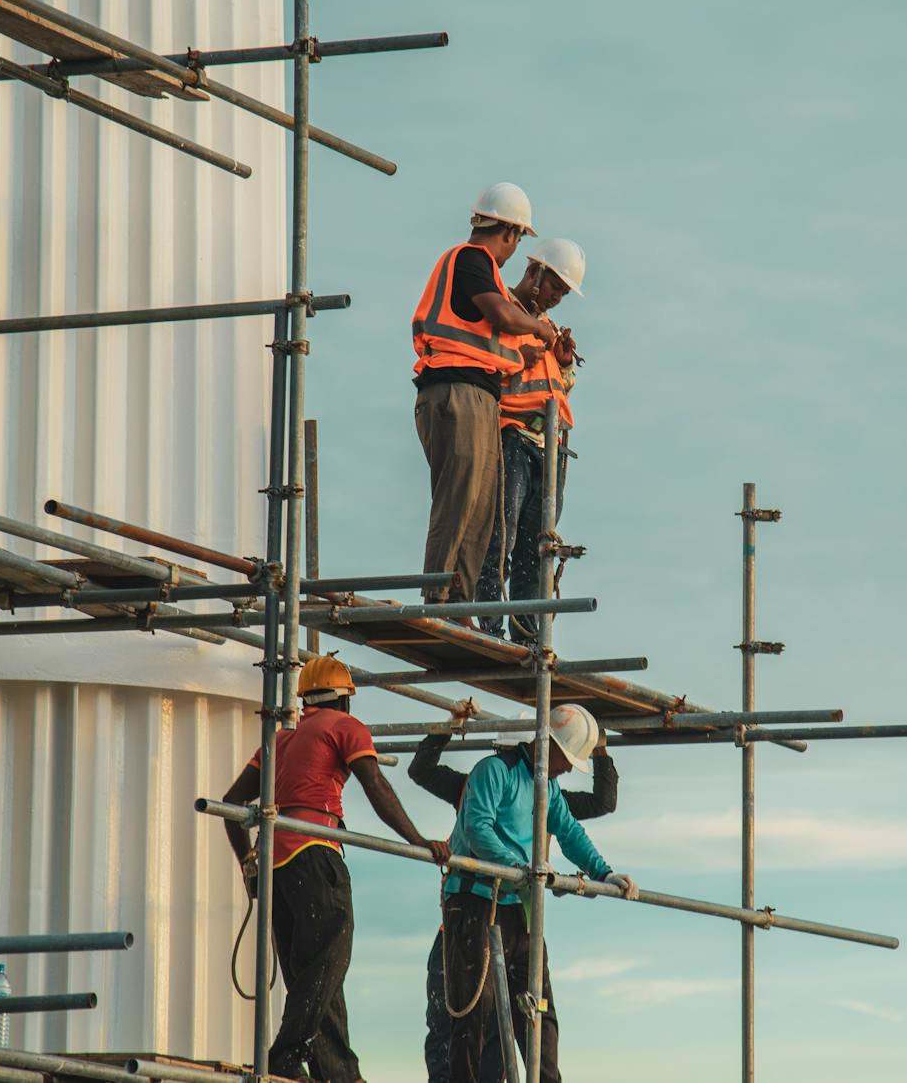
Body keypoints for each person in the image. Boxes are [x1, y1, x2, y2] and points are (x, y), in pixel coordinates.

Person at [221, 654, 453, 1082]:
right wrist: (417, 840)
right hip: (315, 851)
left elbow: (232, 806)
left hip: (276, 864)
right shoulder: (344, 727)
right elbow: (376, 785)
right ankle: (285, 1058)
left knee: (312, 974)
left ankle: (338, 1073)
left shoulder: (279, 740)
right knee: (329, 960)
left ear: (306, 698)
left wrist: (249, 864)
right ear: (344, 701)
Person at [440, 704, 637, 1083]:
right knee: (472, 1012)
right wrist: (521, 868)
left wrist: (604, 873)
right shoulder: (494, 772)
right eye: (568, 760)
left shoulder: (548, 786)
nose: (567, 769)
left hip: (519, 907)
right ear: (550, 745)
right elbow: (478, 828)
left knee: (538, 1013)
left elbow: (569, 832)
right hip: (475, 902)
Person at [413, 183, 558, 609]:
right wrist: (538, 328)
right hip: (455, 392)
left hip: (474, 395)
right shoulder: (471, 259)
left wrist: (531, 350)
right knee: (458, 501)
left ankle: (460, 601)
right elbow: (499, 314)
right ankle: (437, 598)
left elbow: (490, 337)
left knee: (480, 511)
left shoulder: (482, 273)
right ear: (511, 232)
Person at [475, 238, 587, 642]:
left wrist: (565, 362)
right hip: (513, 436)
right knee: (500, 534)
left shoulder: (547, 327)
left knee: (535, 548)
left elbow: (559, 386)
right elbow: (492, 365)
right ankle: (489, 624)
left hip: (550, 446)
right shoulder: (503, 309)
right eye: (555, 285)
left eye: (563, 291)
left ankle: (526, 633)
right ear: (534, 272)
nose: (557, 297)